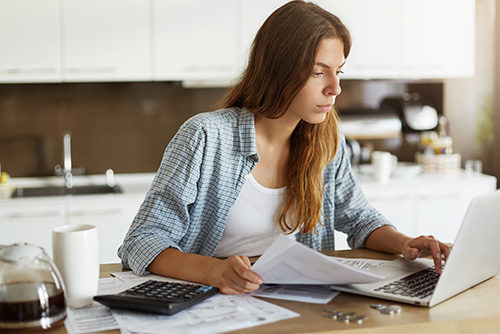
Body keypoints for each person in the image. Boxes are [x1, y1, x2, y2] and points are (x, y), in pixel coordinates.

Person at [118, 0, 450, 295]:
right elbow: (142, 241)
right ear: (278, 72)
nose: (335, 88)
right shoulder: (205, 137)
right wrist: (215, 272)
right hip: (218, 302)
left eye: (338, 72)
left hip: (302, 304)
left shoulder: (326, 139)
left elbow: (359, 218)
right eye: (319, 73)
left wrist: (405, 243)